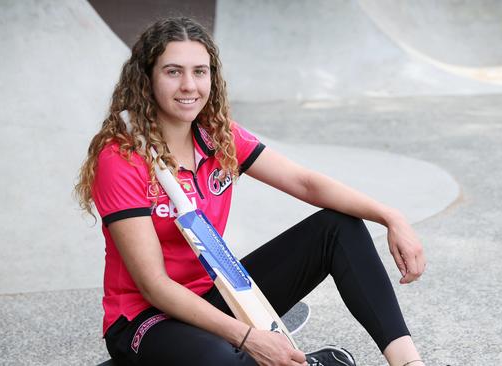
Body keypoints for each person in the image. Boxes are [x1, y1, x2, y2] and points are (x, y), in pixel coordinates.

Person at [75, 17, 426, 366]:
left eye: (200, 71)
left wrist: (390, 216)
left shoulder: (218, 136)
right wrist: (249, 338)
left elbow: (304, 182)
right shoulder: (121, 159)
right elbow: (153, 285)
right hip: (147, 320)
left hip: (216, 293)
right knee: (219, 358)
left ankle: (408, 362)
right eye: (172, 72)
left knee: (340, 228)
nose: (189, 85)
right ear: (147, 78)